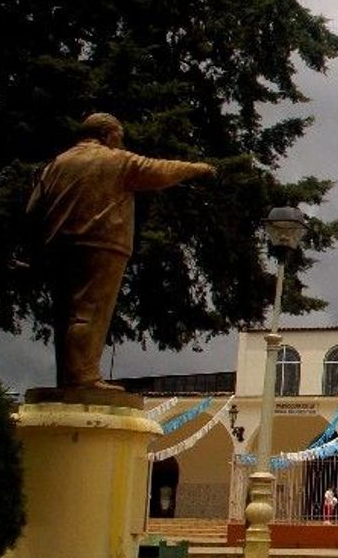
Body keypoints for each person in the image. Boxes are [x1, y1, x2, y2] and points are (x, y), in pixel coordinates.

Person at [27, 113, 215, 390]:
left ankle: (67, 380)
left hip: (58, 246)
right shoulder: (115, 160)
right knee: (90, 312)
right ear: (108, 134)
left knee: (64, 315)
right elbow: (159, 170)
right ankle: (84, 378)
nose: (121, 140)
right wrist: (198, 168)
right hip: (102, 243)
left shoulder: (56, 164)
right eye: (119, 135)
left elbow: (32, 210)